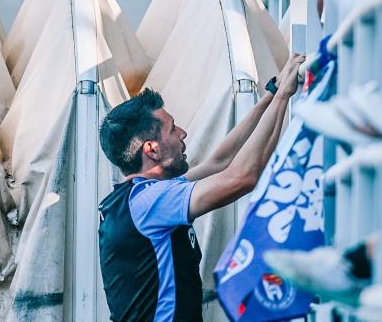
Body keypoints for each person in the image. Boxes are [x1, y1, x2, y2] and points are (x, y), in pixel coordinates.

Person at [97, 54, 305, 322]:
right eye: (172, 129)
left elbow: (221, 162)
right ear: (152, 149)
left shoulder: (138, 198)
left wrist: (270, 96)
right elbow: (242, 177)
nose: (182, 133)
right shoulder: (152, 201)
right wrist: (284, 97)